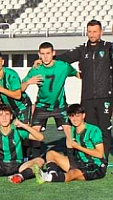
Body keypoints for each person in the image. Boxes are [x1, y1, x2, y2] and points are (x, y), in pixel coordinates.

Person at [41, 20, 113, 160]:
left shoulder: (109, 48)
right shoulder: (82, 49)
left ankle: (103, 158)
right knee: (89, 128)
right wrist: (48, 59)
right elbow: (66, 57)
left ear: (101, 32)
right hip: (87, 97)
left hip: (105, 96)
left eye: (95, 31)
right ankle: (90, 156)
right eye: (90, 31)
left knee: (104, 128)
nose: (92, 34)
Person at [22, 42, 80, 157]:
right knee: (34, 133)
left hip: (60, 106)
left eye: (48, 53)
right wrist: (28, 82)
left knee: (69, 132)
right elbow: (20, 88)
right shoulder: (36, 69)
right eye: (42, 54)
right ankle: (34, 160)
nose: (45, 57)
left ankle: (72, 159)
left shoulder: (63, 66)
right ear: (39, 54)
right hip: (41, 106)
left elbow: (78, 74)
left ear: (53, 53)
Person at [34, 104, 106, 183]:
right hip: (78, 162)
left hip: (95, 165)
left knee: (72, 173)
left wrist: (79, 147)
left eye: (77, 116)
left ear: (83, 115)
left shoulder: (93, 130)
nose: (74, 119)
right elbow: (70, 152)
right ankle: (52, 174)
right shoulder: (72, 130)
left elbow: (100, 154)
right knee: (50, 154)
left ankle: (48, 177)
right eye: (72, 116)